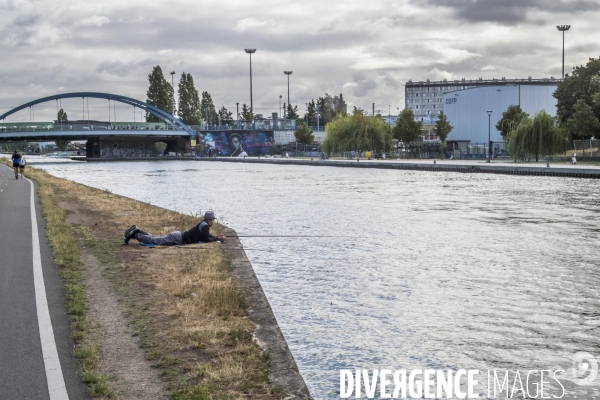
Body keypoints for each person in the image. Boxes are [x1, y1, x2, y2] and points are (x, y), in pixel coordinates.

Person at [123, 211, 226, 246]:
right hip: (178, 238)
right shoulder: (205, 226)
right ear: (210, 219)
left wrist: (217, 236)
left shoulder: (203, 224)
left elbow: (206, 236)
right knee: (155, 241)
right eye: (213, 219)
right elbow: (206, 239)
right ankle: (135, 234)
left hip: (178, 236)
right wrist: (217, 239)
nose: (214, 221)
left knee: (156, 238)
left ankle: (138, 231)